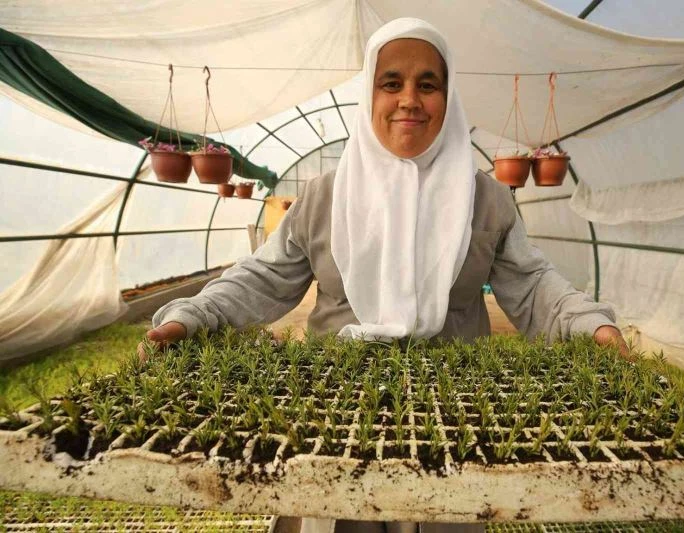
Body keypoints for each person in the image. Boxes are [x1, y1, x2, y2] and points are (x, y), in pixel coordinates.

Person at [142, 18, 628, 533]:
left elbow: (532, 284)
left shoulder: (484, 198)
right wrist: (191, 315)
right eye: (391, 82)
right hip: (338, 406)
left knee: (451, 516)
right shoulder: (327, 195)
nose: (409, 100)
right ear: (368, 94)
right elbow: (262, 277)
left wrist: (587, 322)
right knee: (341, 517)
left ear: (448, 95)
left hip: (455, 410)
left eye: (428, 84)